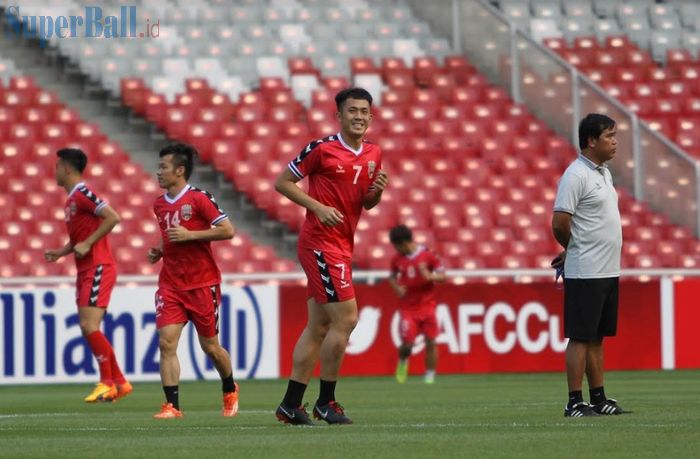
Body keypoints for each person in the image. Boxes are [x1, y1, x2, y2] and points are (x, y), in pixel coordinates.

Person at [274, 87, 389, 425]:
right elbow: (282, 183)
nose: (359, 116)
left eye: (364, 111)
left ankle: (290, 405)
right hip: (320, 243)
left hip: (342, 245)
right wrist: (317, 207)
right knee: (347, 319)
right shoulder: (321, 149)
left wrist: (376, 193)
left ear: (371, 115)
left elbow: (366, 204)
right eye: (352, 110)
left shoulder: (374, 153)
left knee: (320, 324)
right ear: (338, 115)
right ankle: (326, 402)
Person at [147, 143, 239, 419]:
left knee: (210, 347)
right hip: (171, 283)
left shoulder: (199, 199)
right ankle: (172, 406)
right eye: (159, 166)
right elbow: (171, 235)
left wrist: (190, 236)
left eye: (164, 167)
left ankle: (229, 386)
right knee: (166, 343)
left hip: (202, 283)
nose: (159, 172)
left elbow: (227, 230)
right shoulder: (159, 204)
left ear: (180, 170)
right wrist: (160, 250)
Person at [552, 113, 626, 417]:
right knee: (580, 336)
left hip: (608, 268)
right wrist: (573, 249)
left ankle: (598, 398)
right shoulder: (576, 175)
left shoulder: (603, 173)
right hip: (586, 269)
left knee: (597, 336)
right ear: (591, 140)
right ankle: (574, 402)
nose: (614, 141)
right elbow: (560, 221)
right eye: (609, 135)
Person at [45, 148, 132, 403]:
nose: (55, 171)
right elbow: (80, 238)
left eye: (57, 166)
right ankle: (120, 382)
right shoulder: (70, 200)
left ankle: (106, 382)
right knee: (89, 327)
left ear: (67, 169)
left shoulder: (82, 193)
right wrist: (62, 251)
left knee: (88, 326)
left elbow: (112, 217)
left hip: (98, 266)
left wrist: (88, 243)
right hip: (86, 268)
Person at [388, 224, 446, 385]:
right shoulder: (397, 259)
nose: (396, 249)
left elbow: (443, 276)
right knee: (408, 344)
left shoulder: (428, 255)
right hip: (408, 308)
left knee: (431, 341)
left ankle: (429, 375)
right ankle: (403, 361)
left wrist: (430, 276)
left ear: (404, 243)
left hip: (428, 306)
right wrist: (397, 288)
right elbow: (392, 276)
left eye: (396, 246)